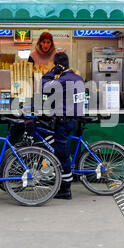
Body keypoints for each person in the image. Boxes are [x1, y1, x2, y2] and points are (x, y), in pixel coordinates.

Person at [41, 52, 85, 200]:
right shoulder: (78, 78)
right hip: (73, 120)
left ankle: (66, 189)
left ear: (58, 66)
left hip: (63, 121)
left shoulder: (63, 80)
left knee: (62, 155)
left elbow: (45, 86)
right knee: (61, 150)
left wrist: (51, 73)